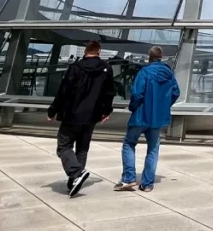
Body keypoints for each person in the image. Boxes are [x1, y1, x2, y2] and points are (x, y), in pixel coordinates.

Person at [46, 40, 114, 197]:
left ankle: (76, 173)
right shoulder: (106, 68)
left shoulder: (75, 68)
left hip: (72, 114)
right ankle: (75, 180)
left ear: (85, 51)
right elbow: (109, 92)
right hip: (92, 116)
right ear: (98, 52)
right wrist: (105, 112)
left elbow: (63, 91)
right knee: (82, 148)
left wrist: (52, 111)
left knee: (63, 146)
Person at [115, 46, 179, 193]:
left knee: (129, 143)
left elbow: (137, 94)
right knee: (153, 149)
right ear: (161, 57)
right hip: (157, 118)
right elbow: (176, 92)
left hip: (141, 115)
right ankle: (147, 184)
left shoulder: (144, 72)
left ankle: (129, 178)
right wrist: (163, 105)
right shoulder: (169, 74)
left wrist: (133, 107)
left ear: (149, 57)